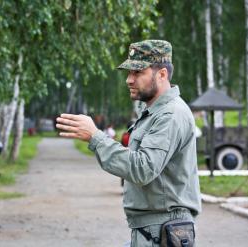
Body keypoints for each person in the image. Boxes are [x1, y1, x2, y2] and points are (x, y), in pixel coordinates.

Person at [56, 40, 201, 246]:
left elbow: (143, 169)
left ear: (161, 75)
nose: (129, 80)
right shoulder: (154, 112)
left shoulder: (171, 114)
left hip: (162, 230)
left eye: (137, 73)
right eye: (129, 73)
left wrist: (95, 137)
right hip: (154, 230)